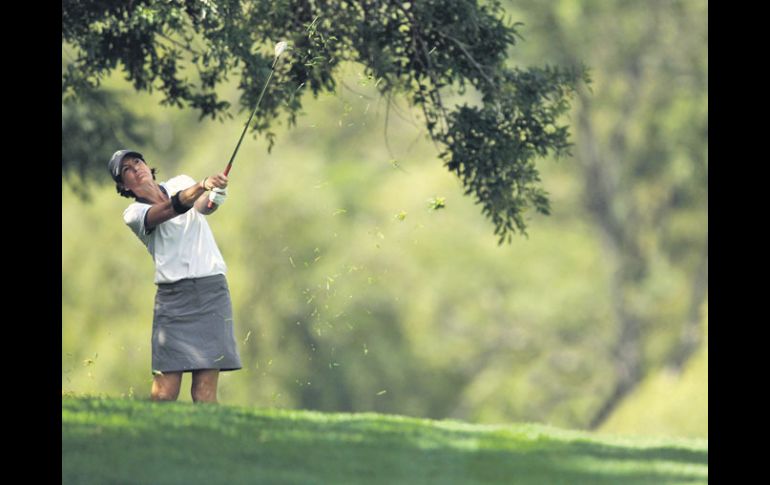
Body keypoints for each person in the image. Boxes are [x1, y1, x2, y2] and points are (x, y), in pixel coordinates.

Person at [108, 149, 242, 403]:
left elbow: (204, 207)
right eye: (126, 169)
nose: (136, 168)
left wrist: (215, 193)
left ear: (147, 165)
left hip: (211, 292)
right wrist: (202, 184)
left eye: (137, 162)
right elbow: (172, 208)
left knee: (204, 393)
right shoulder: (133, 214)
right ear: (122, 185)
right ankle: (154, 441)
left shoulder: (180, 182)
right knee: (165, 392)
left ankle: (206, 442)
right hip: (173, 301)